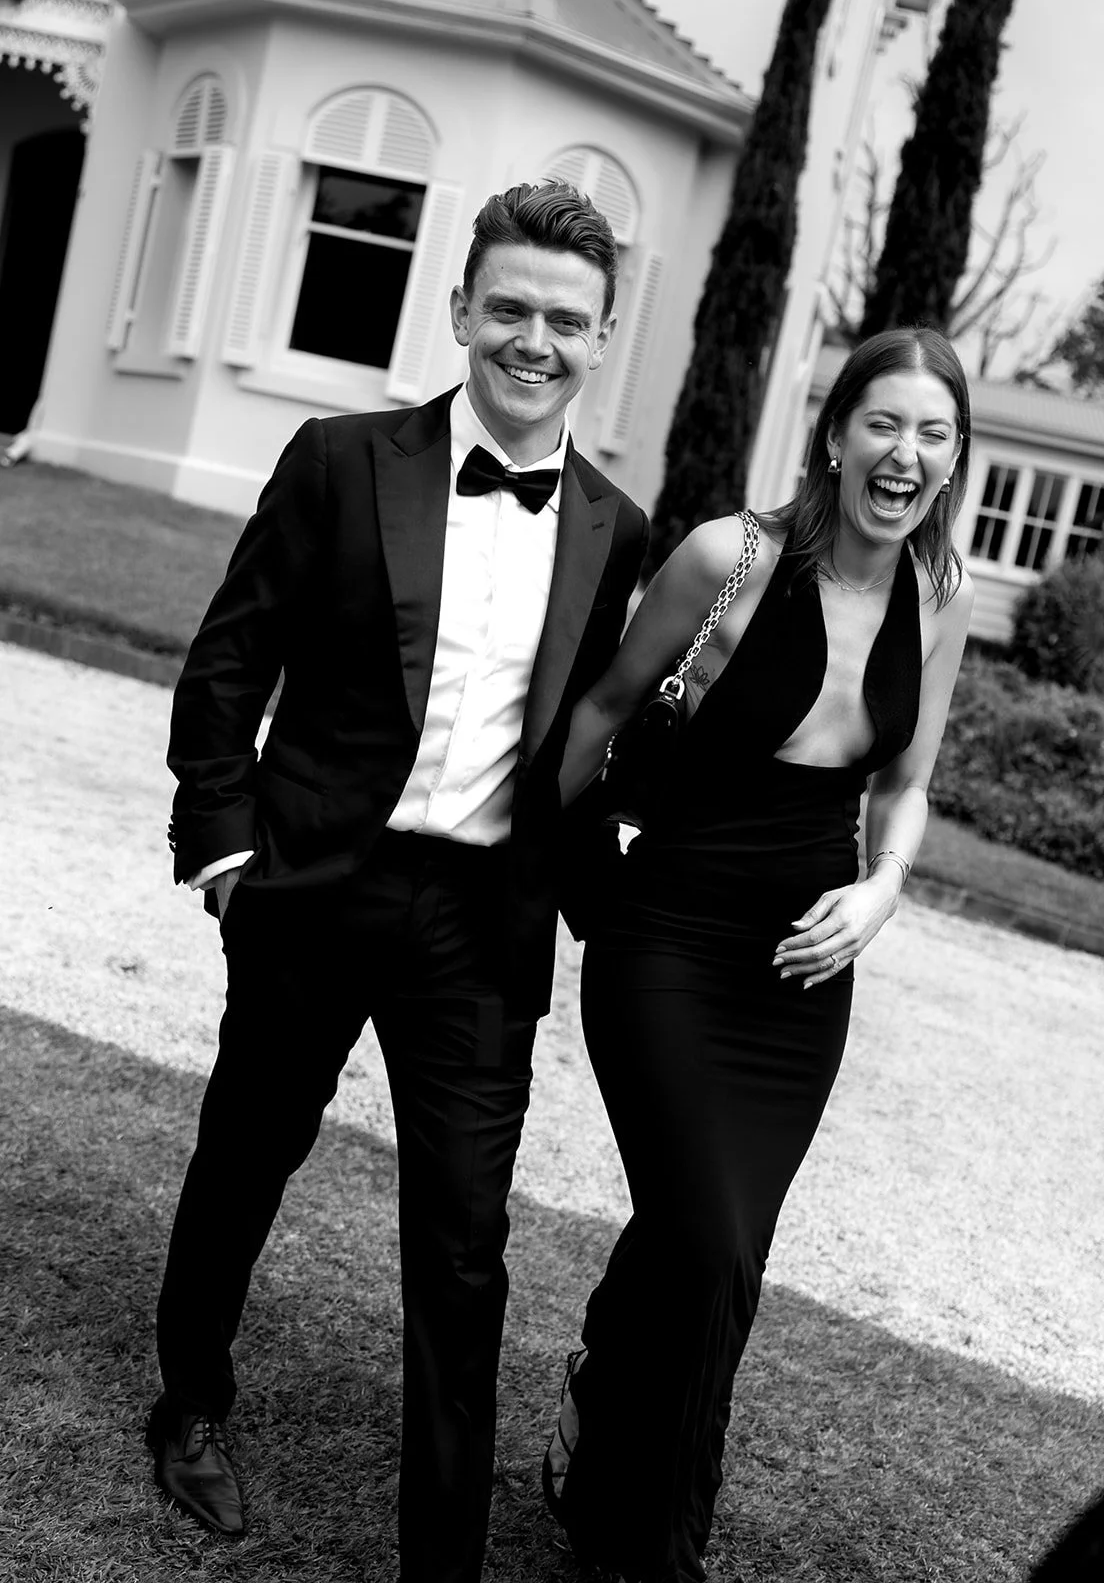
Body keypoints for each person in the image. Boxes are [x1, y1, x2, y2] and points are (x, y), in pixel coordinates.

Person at [148, 179, 648, 1583]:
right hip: (312, 888)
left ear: (602, 338)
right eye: (509, 309)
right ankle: (190, 1402)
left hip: (480, 930)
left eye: (563, 318)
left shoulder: (623, 529)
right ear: (460, 311)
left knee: (466, 1241)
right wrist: (229, 851)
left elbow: (603, 755)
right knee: (246, 1159)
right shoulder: (337, 458)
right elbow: (228, 663)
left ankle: (445, 1551)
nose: (531, 339)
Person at [541, 327, 976, 1583]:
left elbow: (906, 784)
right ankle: (656, 1549)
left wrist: (883, 891)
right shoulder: (728, 557)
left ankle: (603, 1450)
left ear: (953, 460)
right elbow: (606, 710)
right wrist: (532, 885)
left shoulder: (939, 598)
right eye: (883, 423)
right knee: (713, 1242)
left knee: (715, 1244)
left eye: (933, 434)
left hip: (799, 975)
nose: (905, 454)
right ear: (835, 434)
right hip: (665, 938)